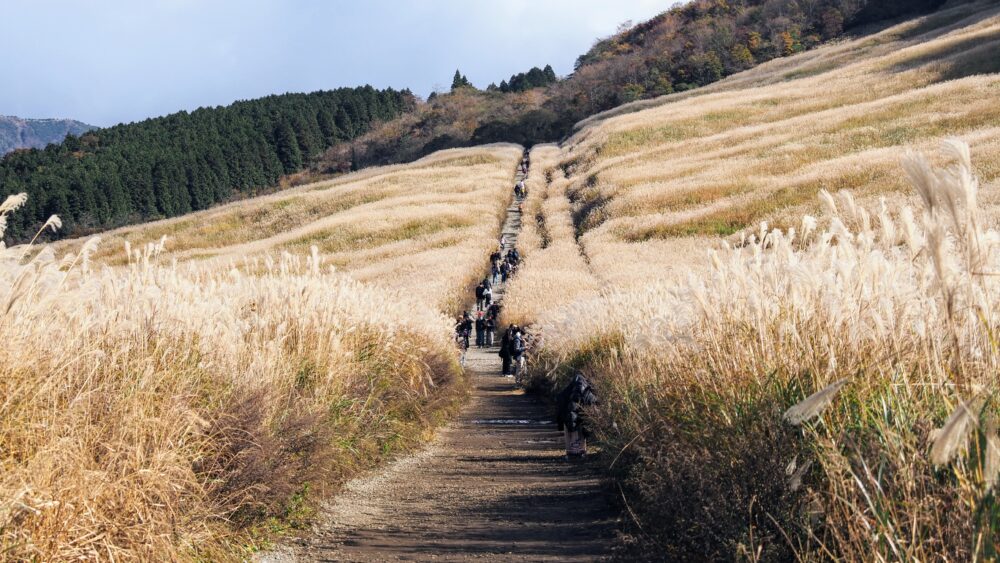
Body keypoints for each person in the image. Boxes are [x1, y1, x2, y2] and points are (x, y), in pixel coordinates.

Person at [555, 371, 598, 460]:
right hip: (573, 409)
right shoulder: (588, 392)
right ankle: (579, 449)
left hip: (569, 409)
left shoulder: (572, 391)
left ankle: (572, 450)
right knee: (576, 422)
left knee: (572, 423)